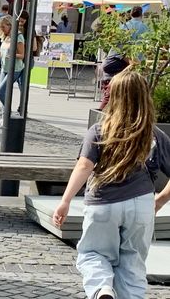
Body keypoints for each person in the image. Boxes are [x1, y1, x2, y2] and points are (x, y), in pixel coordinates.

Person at [53, 70, 170, 299]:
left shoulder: (99, 130)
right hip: (141, 204)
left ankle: (102, 289)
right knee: (133, 263)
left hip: (103, 203)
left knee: (94, 254)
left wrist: (65, 201)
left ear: (114, 96)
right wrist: (160, 200)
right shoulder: (155, 135)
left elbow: (84, 167)